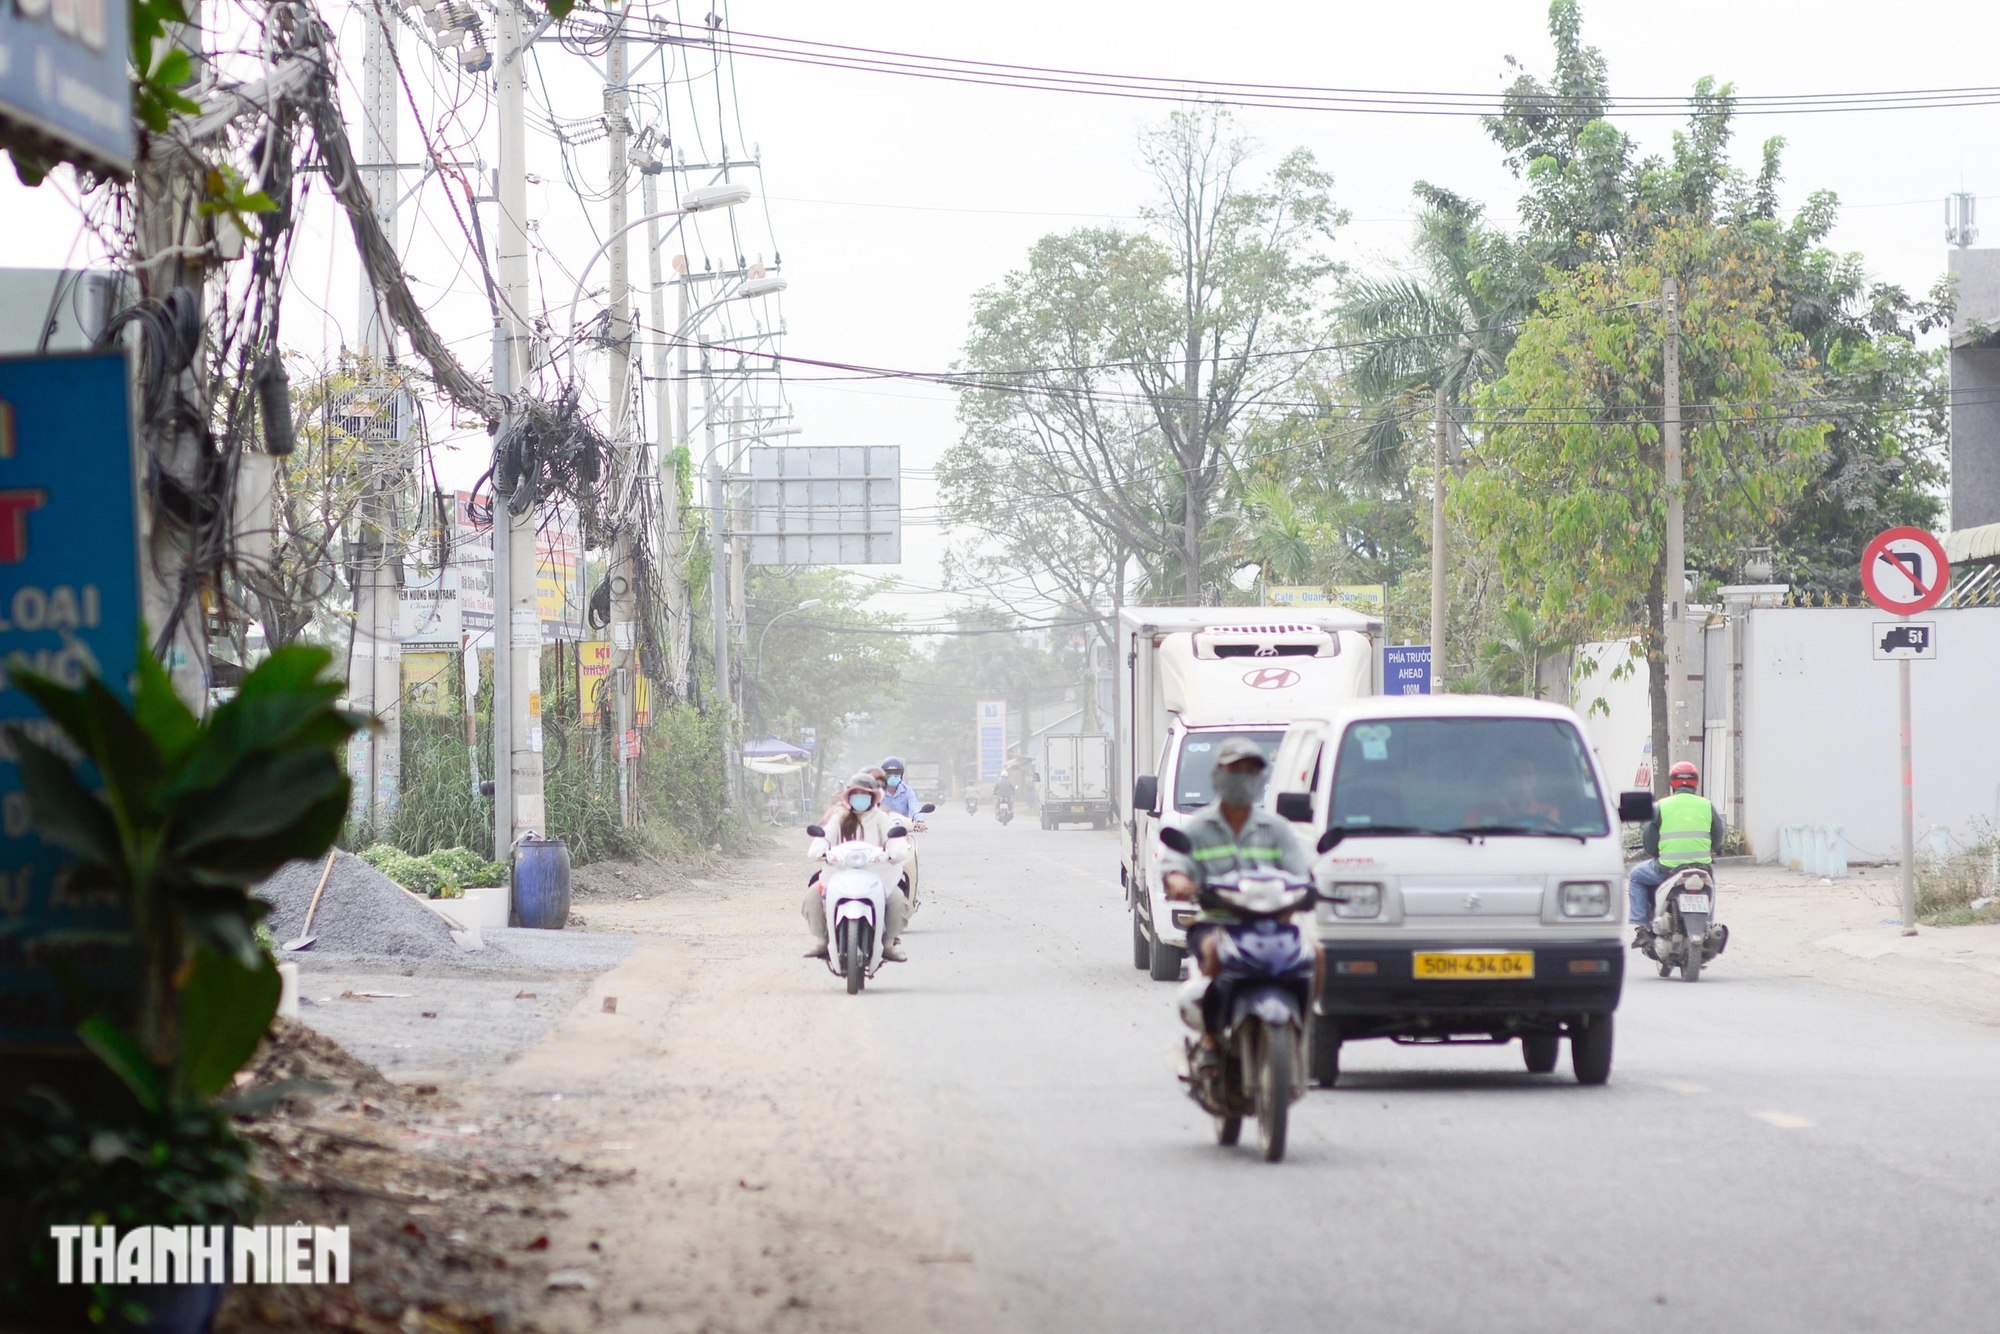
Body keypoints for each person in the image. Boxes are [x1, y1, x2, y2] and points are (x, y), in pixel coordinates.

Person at [1158, 737, 1322, 1072]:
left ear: (1262, 778)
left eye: (1251, 771)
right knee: (1215, 953)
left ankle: (1302, 1030)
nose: (1243, 778)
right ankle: (1212, 1038)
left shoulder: (1276, 829)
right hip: (1217, 922)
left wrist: (1308, 889)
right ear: (1217, 775)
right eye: (1235, 770)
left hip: (1273, 924)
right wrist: (1179, 882)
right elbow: (1175, 866)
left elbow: (1300, 872)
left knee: (1316, 954)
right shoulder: (1199, 827)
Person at [803, 773, 909, 963]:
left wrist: (894, 853)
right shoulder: (839, 817)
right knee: (813, 894)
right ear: (849, 796)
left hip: (877, 873)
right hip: (839, 871)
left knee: (897, 898)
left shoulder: (881, 818)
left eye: (865, 793)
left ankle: (888, 944)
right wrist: (820, 851)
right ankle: (821, 941)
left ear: (872, 796)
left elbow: (895, 840)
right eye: (856, 793)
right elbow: (824, 837)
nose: (860, 797)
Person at [1628, 761, 1728, 948]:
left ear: (1673, 782)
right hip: (1701, 868)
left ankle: (1641, 927)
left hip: (1667, 870)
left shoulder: (1660, 806)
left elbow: (1649, 841)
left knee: (1635, 876)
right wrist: (1716, 847)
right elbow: (1718, 833)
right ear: (1695, 782)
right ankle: (1707, 923)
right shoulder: (1706, 805)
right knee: (1709, 884)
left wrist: (1655, 852)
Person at [879, 756, 922, 825]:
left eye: (896, 773)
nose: (892, 776)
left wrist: (920, 820)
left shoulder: (907, 790)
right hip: (882, 827)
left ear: (901, 775)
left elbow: (914, 806)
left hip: (902, 828)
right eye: (889, 773)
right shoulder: (878, 792)